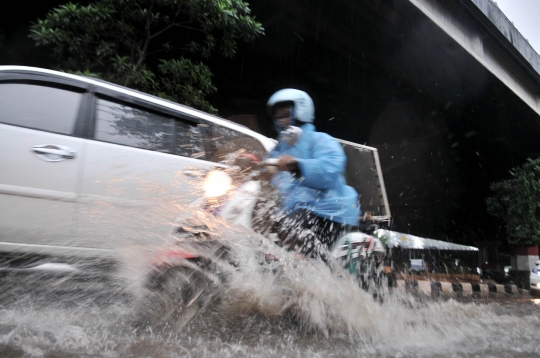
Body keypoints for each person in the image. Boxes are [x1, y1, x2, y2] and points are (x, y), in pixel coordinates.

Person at [265, 88, 360, 260]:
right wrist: (250, 164)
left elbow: (332, 166)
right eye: (278, 116)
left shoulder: (321, 140)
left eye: (286, 114)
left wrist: (297, 165)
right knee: (261, 219)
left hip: (329, 210)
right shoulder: (279, 149)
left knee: (288, 225)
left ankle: (318, 266)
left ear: (300, 113)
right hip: (299, 211)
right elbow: (265, 170)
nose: (282, 120)